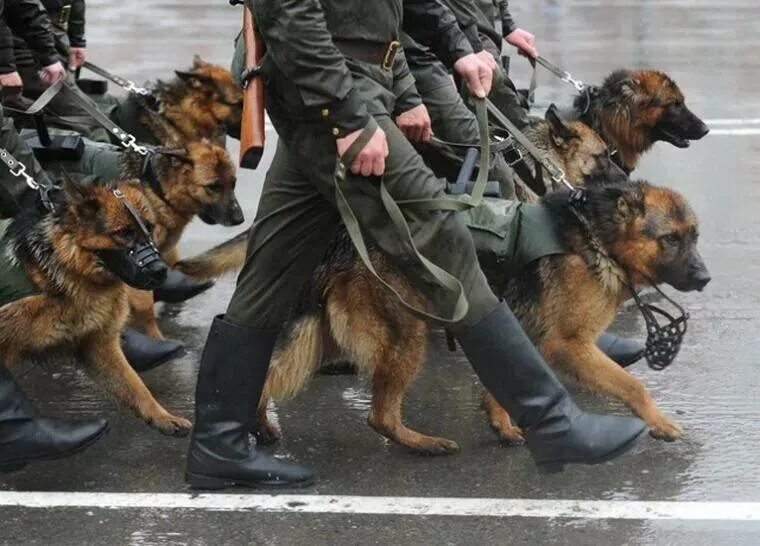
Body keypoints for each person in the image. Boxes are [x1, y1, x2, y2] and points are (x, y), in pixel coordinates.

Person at [184, 0, 646, 490]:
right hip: (333, 95)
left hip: (342, 90)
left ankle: (218, 444)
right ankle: (552, 422)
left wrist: (405, 90)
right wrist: (349, 117)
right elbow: (292, 12)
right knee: (442, 241)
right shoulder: (338, 100)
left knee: (271, 268)